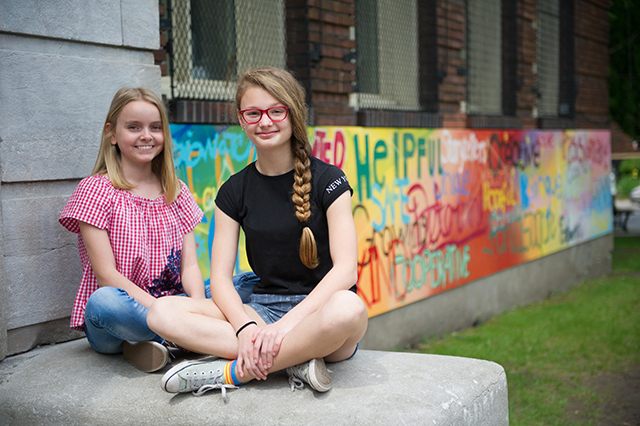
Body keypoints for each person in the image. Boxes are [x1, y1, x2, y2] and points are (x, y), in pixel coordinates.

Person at [147, 67, 368, 400]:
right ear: (241, 119)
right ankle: (295, 361)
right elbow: (220, 279)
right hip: (260, 311)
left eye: (276, 111)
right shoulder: (234, 191)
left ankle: (235, 371)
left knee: (349, 309)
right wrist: (245, 326)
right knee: (162, 313)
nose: (265, 121)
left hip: (319, 314)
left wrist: (283, 329)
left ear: (294, 114)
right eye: (253, 113)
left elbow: (346, 271)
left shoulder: (329, 181)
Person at [59, 87, 206, 373]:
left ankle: (155, 343)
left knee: (245, 283)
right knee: (103, 302)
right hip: (123, 312)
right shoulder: (96, 190)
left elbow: (190, 268)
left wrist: (199, 309)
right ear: (112, 134)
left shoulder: (176, 191)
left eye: (155, 127)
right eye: (134, 127)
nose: (146, 135)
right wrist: (170, 315)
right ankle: (185, 337)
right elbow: (106, 276)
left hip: (175, 306)